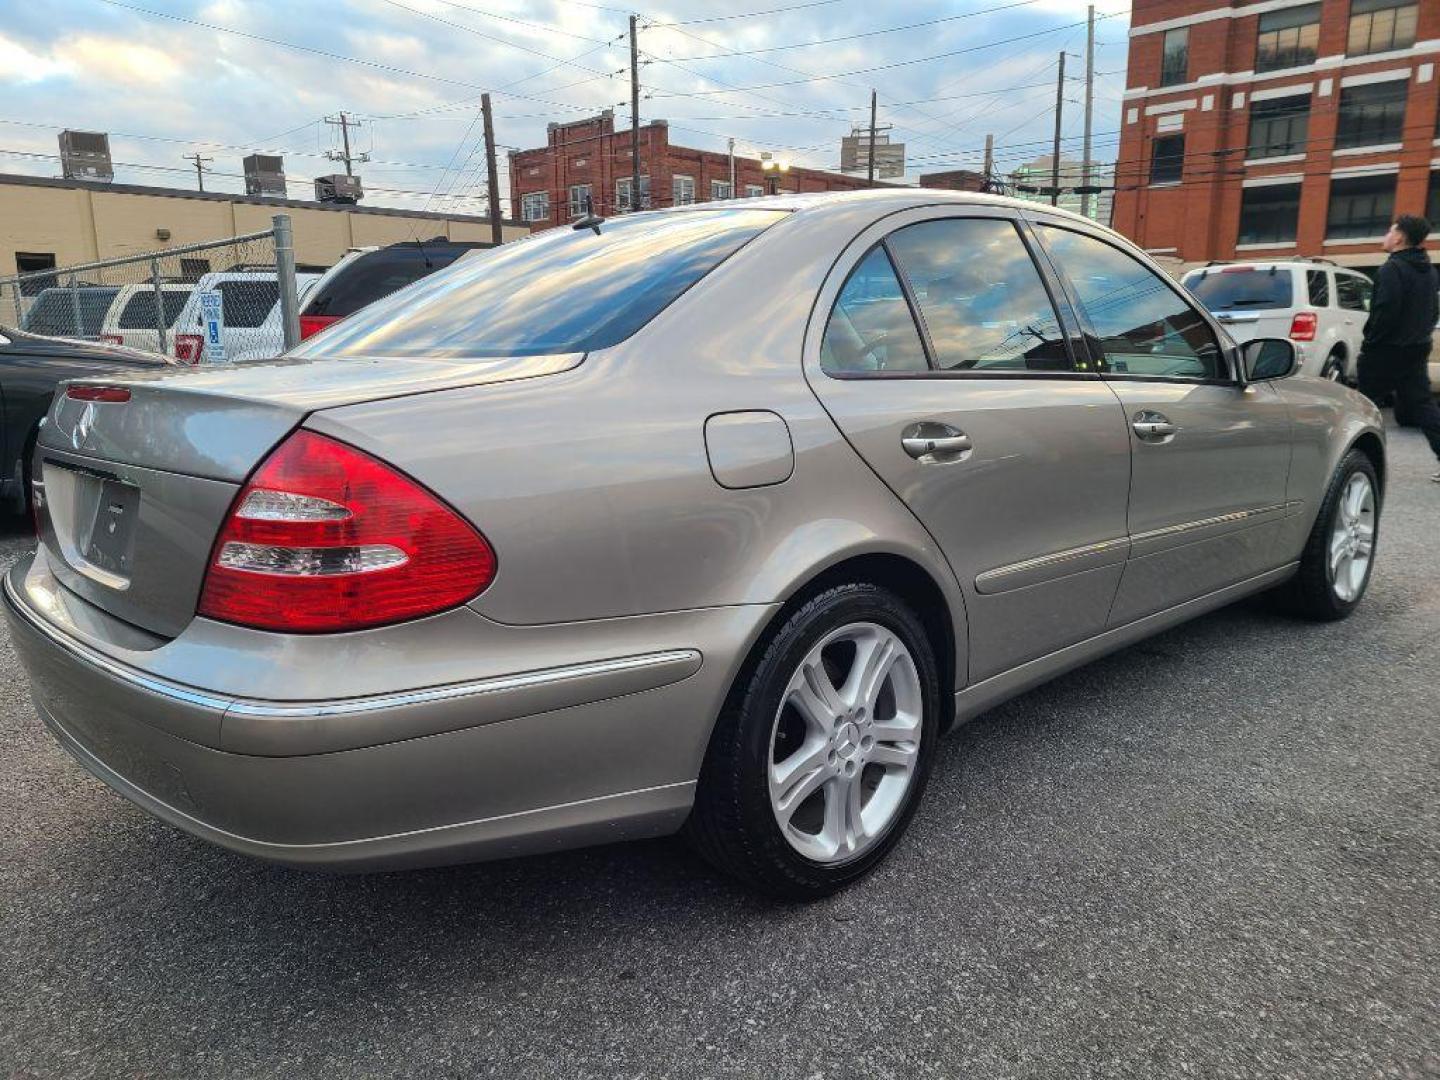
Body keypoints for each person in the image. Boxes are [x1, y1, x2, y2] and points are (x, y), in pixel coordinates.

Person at [1356, 214, 1440, 483]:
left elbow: (1385, 310)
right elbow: (1433, 310)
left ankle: (1354, 462)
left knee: (1360, 406)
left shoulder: (1392, 269)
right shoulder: (1429, 270)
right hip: (1416, 348)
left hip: (1385, 350)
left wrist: (1370, 340)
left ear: (1400, 237)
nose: (1386, 236)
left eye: (1389, 231)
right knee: (1422, 404)